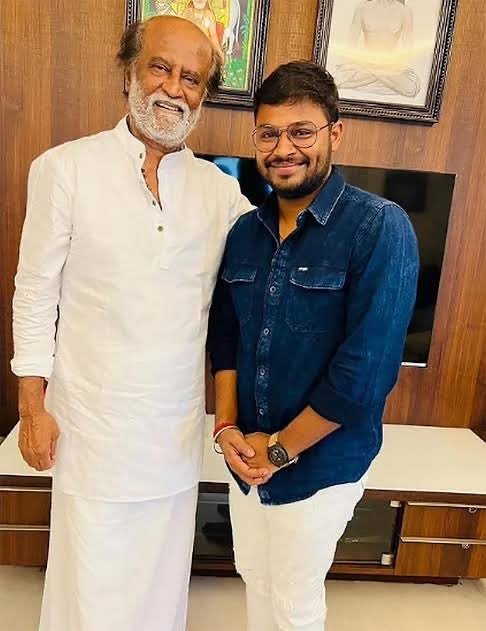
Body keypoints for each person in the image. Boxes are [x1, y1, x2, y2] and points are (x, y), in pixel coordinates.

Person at [11, 15, 254, 631]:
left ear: (204, 94)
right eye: (161, 68)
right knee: (90, 586)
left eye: (192, 78)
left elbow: (277, 259)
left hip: (171, 436)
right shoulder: (65, 169)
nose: (174, 88)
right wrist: (32, 408)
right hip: (89, 429)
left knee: (158, 588)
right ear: (129, 71)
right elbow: (34, 293)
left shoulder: (220, 193)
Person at [208, 61, 419, 631]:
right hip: (247, 456)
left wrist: (278, 451)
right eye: (269, 133)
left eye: (301, 131)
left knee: (293, 600)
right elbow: (226, 337)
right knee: (255, 577)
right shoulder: (244, 233)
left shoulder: (380, 227)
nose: (284, 149)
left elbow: (365, 374)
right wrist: (227, 430)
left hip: (320, 463)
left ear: (335, 132)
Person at [333, 0, 421, 98]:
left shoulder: (404, 11)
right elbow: (351, 42)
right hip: (365, 64)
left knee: (411, 88)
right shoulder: (362, 8)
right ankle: (381, 78)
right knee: (336, 80)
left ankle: (375, 76)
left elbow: (409, 48)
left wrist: (395, 66)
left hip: (390, 66)